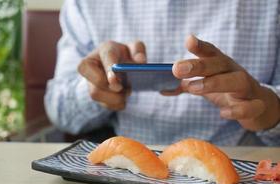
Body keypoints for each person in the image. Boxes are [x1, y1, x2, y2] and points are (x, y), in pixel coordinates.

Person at [45, 0, 280, 146]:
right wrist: (96, 87)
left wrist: (270, 110)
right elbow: (59, 111)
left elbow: (269, 111)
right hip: (121, 170)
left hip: (242, 164)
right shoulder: (86, 3)